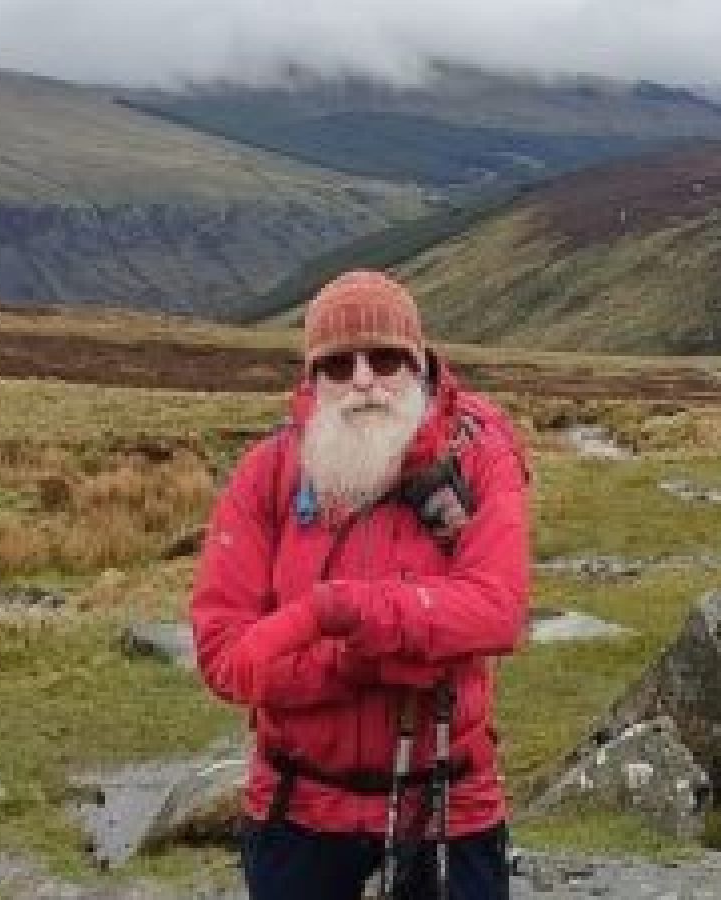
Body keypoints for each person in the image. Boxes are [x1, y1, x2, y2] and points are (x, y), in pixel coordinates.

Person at [190, 269, 530, 899]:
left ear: (419, 363)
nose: (364, 380)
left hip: (450, 805)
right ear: (313, 380)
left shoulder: (479, 456)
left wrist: (344, 609)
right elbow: (225, 657)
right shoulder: (268, 473)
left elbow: (497, 609)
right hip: (299, 810)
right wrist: (359, 662)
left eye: (385, 358)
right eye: (338, 364)